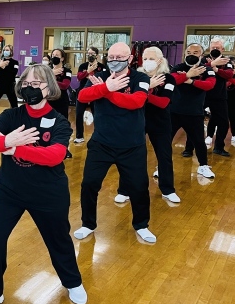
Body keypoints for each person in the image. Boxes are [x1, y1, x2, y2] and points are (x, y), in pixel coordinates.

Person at [0, 64, 87, 304]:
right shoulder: (11, 116)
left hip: (48, 192)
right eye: (26, 84)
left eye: (36, 84)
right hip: (8, 190)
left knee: (58, 240)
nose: (29, 88)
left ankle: (72, 281)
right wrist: (6, 140)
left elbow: (54, 156)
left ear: (48, 88)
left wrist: (13, 148)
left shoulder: (59, 121)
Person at [73, 42, 156, 244]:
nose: (114, 60)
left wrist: (106, 91)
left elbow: (136, 102)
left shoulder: (141, 78)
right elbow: (82, 96)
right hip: (102, 143)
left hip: (132, 145)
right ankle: (87, 224)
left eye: (119, 57)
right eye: (111, 57)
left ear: (129, 59)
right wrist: (105, 86)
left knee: (138, 187)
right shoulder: (100, 77)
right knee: (89, 184)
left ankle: (142, 225)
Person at [114, 47, 180, 204]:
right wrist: (148, 86)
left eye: (151, 58)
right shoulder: (137, 77)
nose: (148, 61)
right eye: (145, 58)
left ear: (160, 60)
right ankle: (124, 190)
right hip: (138, 121)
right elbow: (129, 97)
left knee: (164, 156)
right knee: (131, 156)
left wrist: (145, 93)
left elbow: (163, 102)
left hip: (160, 123)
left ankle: (168, 190)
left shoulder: (168, 79)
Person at [170, 43, 216, 179]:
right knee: (165, 140)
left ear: (201, 55)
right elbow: (172, 80)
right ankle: (162, 167)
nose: (191, 55)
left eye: (195, 53)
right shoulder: (178, 67)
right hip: (174, 111)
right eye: (189, 52)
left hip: (194, 112)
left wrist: (190, 81)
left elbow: (209, 85)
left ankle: (203, 166)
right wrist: (187, 75)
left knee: (199, 142)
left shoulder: (207, 69)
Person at [197, 39, 233, 156]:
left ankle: (219, 147)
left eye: (218, 48)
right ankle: (191, 148)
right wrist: (211, 65)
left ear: (222, 49)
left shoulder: (226, 60)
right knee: (194, 120)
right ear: (210, 48)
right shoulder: (203, 59)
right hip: (203, 95)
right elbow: (199, 70)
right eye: (213, 47)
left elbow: (229, 74)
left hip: (220, 96)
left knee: (223, 122)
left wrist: (216, 69)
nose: (215, 49)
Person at [74, 47, 106, 143]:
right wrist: (88, 71)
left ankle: (98, 136)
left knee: (97, 114)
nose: (90, 55)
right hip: (82, 93)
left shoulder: (102, 67)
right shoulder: (83, 66)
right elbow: (79, 77)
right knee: (79, 114)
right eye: (89, 53)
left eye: (92, 53)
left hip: (96, 94)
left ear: (97, 55)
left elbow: (104, 79)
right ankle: (79, 136)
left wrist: (92, 75)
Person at [0, 44, 19, 123]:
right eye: (5, 50)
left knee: (14, 105)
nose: (6, 51)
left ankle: (16, 122)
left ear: (11, 51)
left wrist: (4, 67)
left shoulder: (15, 62)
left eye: (7, 50)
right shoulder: (0, 61)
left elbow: (14, 73)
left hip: (10, 87)